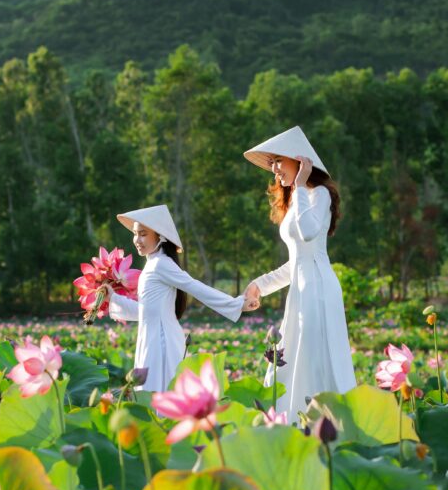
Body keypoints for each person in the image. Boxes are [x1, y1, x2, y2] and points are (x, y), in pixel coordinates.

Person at [242, 125, 356, 417]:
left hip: (318, 289)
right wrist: (259, 285)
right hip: (301, 289)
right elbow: (295, 263)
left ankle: (328, 424)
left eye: (279, 161)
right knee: (291, 358)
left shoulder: (320, 195)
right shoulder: (297, 200)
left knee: (316, 358)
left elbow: (308, 233)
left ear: (301, 161)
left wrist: (301, 185)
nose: (275, 170)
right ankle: (292, 424)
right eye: (272, 164)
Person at [103, 204, 246, 392]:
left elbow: (195, 287)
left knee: (160, 393)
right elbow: (146, 312)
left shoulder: (161, 264)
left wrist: (236, 304)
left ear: (160, 236)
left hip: (162, 342)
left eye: (143, 234)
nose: (137, 239)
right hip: (151, 337)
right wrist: (112, 298)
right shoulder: (152, 264)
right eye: (136, 233)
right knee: (152, 394)